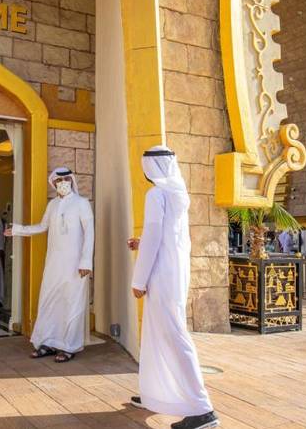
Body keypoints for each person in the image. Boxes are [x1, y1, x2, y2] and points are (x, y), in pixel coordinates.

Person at [127, 147, 219, 429]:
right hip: (173, 274)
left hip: (160, 276)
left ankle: (203, 409)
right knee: (156, 334)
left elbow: (155, 236)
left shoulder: (156, 194)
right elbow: (169, 237)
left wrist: (138, 280)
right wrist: (142, 242)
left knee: (174, 335)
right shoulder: (178, 192)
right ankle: (155, 394)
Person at [4, 167, 94, 363]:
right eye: (58, 180)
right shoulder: (52, 204)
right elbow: (42, 226)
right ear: (53, 183)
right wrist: (18, 230)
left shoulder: (82, 203)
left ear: (71, 180)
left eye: (66, 178)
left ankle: (69, 347)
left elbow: (89, 233)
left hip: (76, 264)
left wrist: (86, 261)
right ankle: (47, 342)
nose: (62, 182)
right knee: (49, 301)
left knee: (72, 303)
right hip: (54, 262)